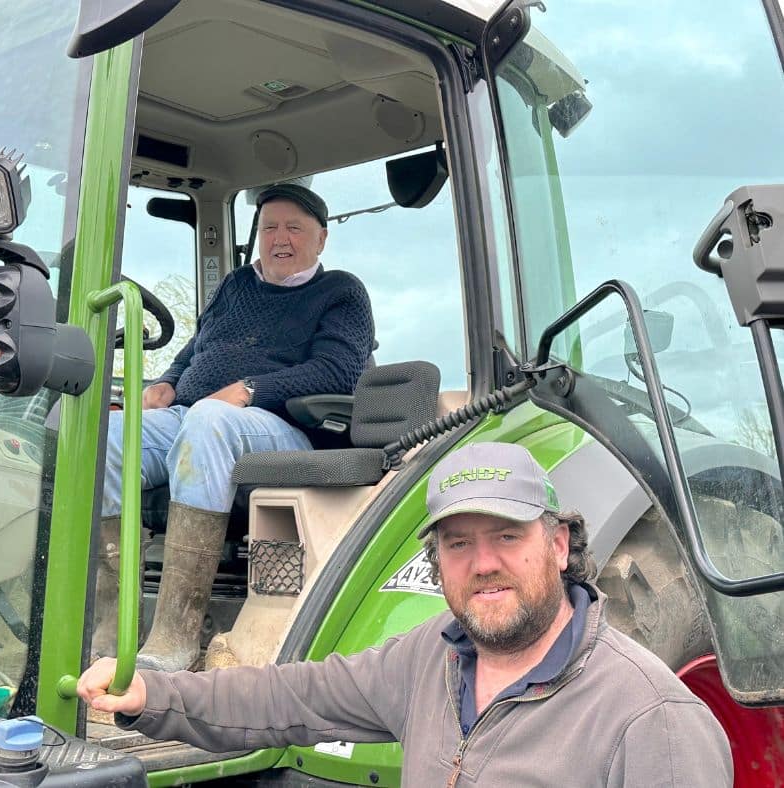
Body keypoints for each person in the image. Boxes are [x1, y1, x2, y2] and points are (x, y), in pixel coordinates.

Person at [79, 441, 733, 786]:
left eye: (507, 537)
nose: (483, 563)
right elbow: (289, 698)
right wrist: (151, 695)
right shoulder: (433, 656)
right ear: (438, 560)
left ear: (558, 545)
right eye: (458, 543)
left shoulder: (653, 721)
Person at [95, 183, 375, 671]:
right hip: (197, 414)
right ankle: (112, 629)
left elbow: (338, 372)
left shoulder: (341, 293)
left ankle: (175, 636)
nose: (279, 238)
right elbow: (196, 350)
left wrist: (249, 388)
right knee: (111, 438)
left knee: (210, 420)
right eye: (269, 227)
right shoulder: (236, 286)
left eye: (294, 228)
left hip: (282, 426)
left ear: (322, 238)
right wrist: (165, 382)